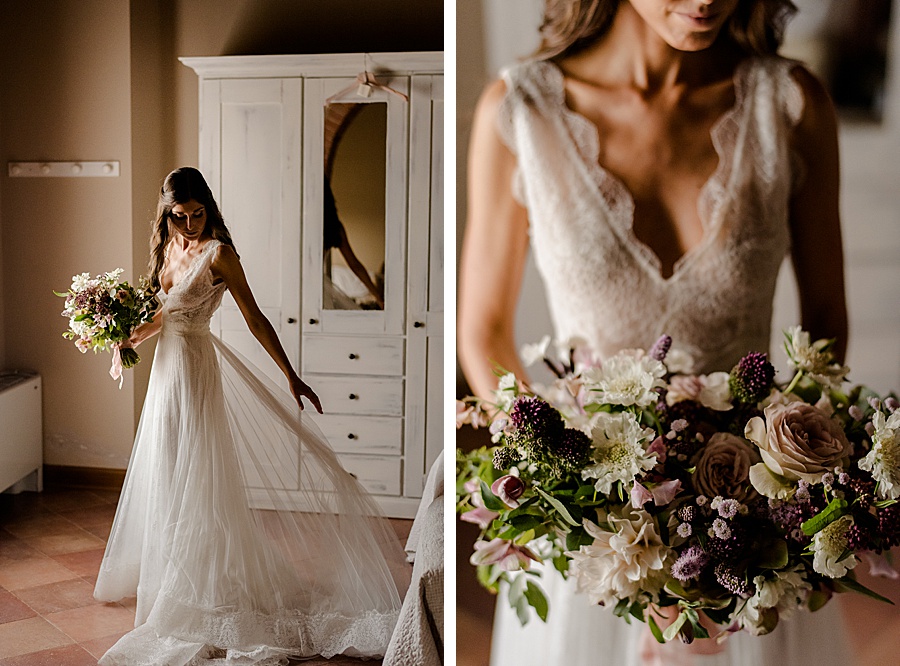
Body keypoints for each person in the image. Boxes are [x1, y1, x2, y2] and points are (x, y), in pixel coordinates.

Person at [458, 0, 851, 664]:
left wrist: (784, 475)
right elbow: (485, 330)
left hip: (749, 542)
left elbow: (826, 320)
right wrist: (560, 489)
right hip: (594, 542)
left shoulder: (788, 104)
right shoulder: (520, 110)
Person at [93, 167, 406, 665]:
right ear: (168, 214)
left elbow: (255, 316)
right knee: (168, 475)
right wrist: (127, 337)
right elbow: (163, 315)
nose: (191, 224)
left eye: (199, 214)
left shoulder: (220, 255)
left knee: (197, 480)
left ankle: (200, 586)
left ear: (209, 210)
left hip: (195, 372)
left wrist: (290, 374)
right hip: (165, 376)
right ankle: (175, 579)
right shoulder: (169, 250)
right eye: (181, 216)